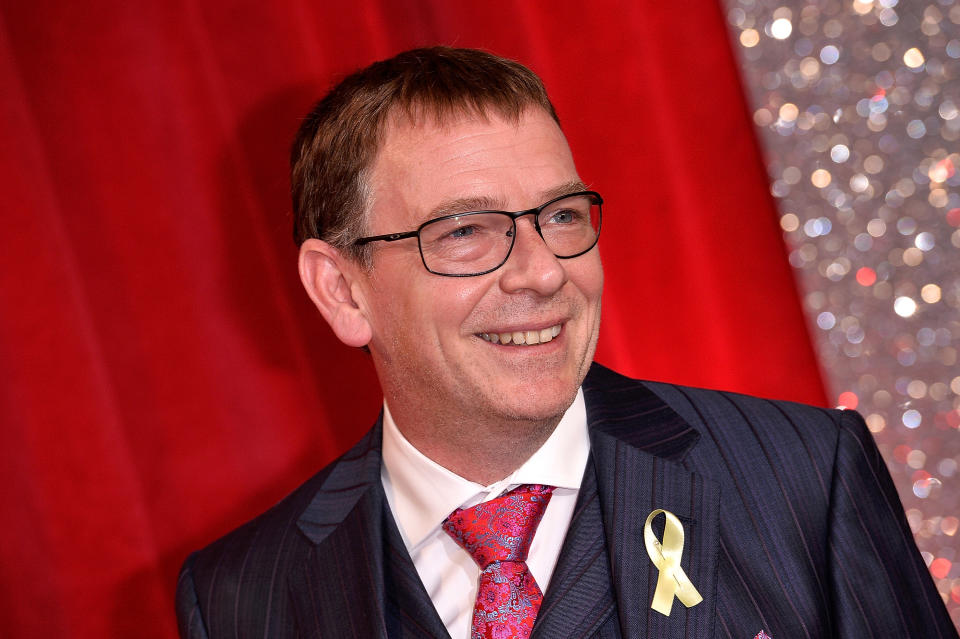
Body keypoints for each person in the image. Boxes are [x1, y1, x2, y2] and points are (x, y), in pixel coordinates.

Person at [176, 47, 956, 639]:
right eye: (467, 231)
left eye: (561, 215)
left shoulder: (805, 477)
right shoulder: (242, 596)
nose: (545, 272)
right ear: (343, 290)